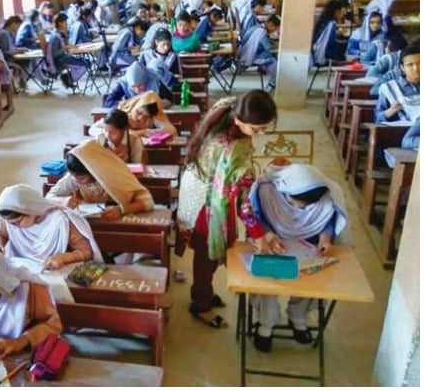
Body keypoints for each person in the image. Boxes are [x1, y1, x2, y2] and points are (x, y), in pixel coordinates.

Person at [177, 90, 278, 329]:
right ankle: (200, 304)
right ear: (238, 120)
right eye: (256, 129)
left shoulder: (230, 105)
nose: (261, 134)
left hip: (197, 185)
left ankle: (204, 292)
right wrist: (259, 235)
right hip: (205, 201)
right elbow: (244, 202)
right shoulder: (233, 150)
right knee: (206, 256)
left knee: (207, 252)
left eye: (266, 128)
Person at [248, 163, 351, 352]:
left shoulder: (325, 195)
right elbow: (257, 217)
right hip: (272, 243)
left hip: (307, 245)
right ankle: (266, 324)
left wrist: (325, 239)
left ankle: (298, 318)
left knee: (311, 278)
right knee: (269, 280)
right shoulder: (267, 191)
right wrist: (269, 235)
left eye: (305, 206)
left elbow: (328, 220)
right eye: (295, 202)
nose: (299, 208)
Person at [0, 184, 102, 271]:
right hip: (22, 272)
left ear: (32, 210)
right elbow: (0, 234)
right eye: (10, 223)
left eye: (18, 222)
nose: (14, 227)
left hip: (52, 272)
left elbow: (87, 252)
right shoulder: (9, 222)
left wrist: (63, 258)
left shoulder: (61, 221)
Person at [46, 139, 154, 221]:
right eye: (74, 177)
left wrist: (121, 209)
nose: (77, 181)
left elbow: (147, 201)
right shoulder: (74, 176)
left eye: (82, 178)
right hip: (91, 223)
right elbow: (49, 196)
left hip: (119, 222)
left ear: (94, 170)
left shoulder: (114, 174)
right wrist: (64, 201)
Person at [374, 45, 420, 125]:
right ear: (402, 68)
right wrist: (392, 110)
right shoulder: (389, 88)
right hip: (402, 132)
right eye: (410, 65)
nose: (416, 68)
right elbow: (377, 118)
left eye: (420, 63)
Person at [236, 16, 280, 91]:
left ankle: (270, 76)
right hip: (249, 55)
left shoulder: (256, 27)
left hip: (244, 51)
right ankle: (272, 83)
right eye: (275, 29)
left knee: (270, 57)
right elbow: (268, 47)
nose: (274, 31)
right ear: (271, 25)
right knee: (273, 60)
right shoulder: (261, 32)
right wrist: (277, 46)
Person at [45, 13, 88, 89]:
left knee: (84, 61)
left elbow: (64, 46)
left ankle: (67, 78)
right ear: (59, 23)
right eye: (65, 22)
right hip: (59, 60)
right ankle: (68, 79)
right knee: (85, 63)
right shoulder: (55, 36)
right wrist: (64, 48)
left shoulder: (59, 33)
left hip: (63, 57)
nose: (67, 24)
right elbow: (54, 54)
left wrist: (66, 40)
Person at [0, 16, 30, 91]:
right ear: (13, 24)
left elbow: (11, 48)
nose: (18, 28)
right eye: (18, 26)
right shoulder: (4, 34)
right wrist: (18, 51)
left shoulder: (8, 33)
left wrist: (19, 49)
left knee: (26, 60)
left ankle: (23, 82)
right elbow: (4, 52)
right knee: (22, 63)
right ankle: (22, 82)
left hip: (7, 58)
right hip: (3, 60)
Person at [312, 0, 350, 66]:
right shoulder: (331, 24)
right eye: (341, 12)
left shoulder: (323, 22)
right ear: (337, 12)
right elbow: (331, 42)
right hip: (324, 56)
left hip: (316, 53)